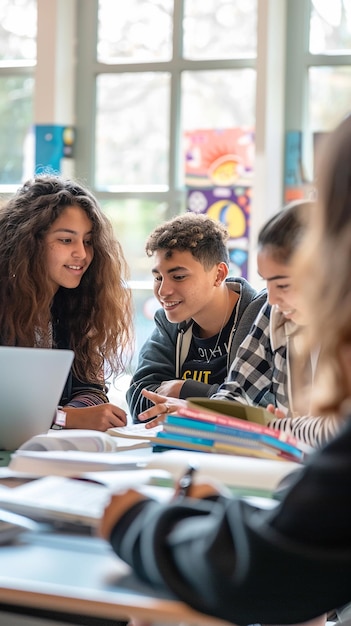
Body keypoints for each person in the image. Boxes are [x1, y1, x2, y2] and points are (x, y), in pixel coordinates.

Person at [99, 114, 351, 626]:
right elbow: (234, 397)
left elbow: (270, 568)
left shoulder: (259, 310)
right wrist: (211, 409)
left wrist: (140, 522)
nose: (165, 289)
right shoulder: (232, 318)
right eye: (158, 276)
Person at [134, 202, 339, 448]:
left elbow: (337, 429)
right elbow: (236, 394)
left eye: (283, 285)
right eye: (267, 283)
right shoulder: (274, 312)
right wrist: (199, 413)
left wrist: (268, 426)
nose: (272, 299)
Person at [0, 173, 133, 431]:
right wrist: (64, 419)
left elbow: (91, 389)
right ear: (27, 243)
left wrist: (76, 413)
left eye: (88, 241)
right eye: (65, 240)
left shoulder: (76, 306)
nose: (82, 254)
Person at [126, 212, 266, 422]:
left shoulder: (260, 319)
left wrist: (186, 390)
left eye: (179, 277)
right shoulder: (169, 323)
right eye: (158, 277)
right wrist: (209, 402)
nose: (163, 291)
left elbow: (263, 409)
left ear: (218, 275)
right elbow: (139, 401)